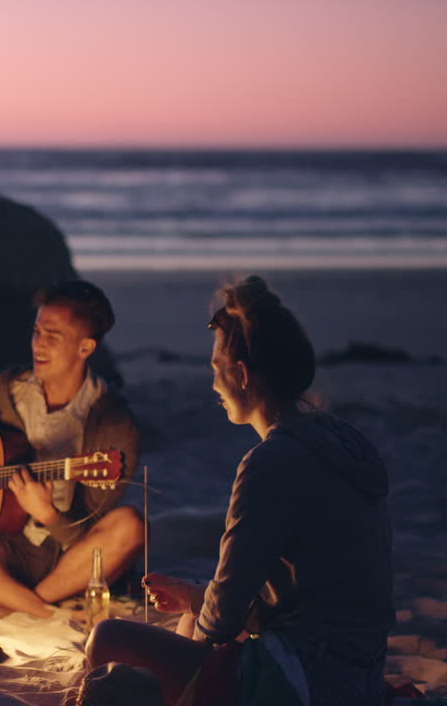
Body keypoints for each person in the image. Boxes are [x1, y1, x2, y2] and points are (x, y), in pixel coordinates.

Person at [87, 276, 394, 706]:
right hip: (358, 673)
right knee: (190, 622)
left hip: (301, 680)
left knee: (108, 638)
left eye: (216, 370)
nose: (213, 384)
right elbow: (305, 589)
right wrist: (194, 596)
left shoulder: (270, 462)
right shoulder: (343, 443)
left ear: (243, 375)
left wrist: (203, 607)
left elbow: (222, 622)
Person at [0, 279, 143, 618]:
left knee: (131, 525)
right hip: (2, 547)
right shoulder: (10, 390)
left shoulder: (115, 428)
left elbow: (89, 537)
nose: (39, 344)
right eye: (36, 332)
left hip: (65, 561)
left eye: (53, 336)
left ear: (85, 347)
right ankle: (34, 607)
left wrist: (48, 514)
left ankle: (23, 603)